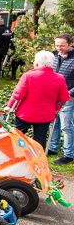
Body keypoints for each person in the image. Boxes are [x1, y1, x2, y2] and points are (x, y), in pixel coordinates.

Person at [5, 50, 69, 150]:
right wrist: (56, 108)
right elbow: (63, 98)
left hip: (25, 113)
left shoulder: (28, 76)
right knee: (40, 139)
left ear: (37, 63)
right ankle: (38, 157)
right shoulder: (59, 78)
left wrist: (10, 106)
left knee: (17, 135)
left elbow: (18, 94)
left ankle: (15, 153)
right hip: (45, 114)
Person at [49, 34, 74, 164]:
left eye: (62, 46)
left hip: (68, 98)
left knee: (66, 126)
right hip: (53, 96)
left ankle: (69, 154)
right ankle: (53, 147)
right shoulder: (53, 56)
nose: (59, 48)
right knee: (53, 123)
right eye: (57, 45)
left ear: (70, 44)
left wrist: (70, 94)